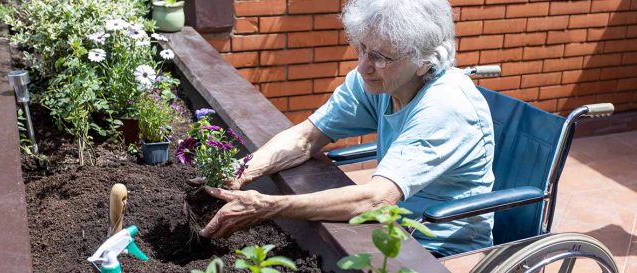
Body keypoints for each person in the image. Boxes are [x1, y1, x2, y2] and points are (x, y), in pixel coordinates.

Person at [190, 0, 495, 257]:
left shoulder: (446, 107)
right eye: (361, 48)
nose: (362, 66)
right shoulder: (382, 82)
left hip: (439, 251)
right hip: (389, 233)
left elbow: (375, 199)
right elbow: (306, 137)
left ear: (424, 62)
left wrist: (267, 206)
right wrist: (241, 171)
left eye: (379, 57)